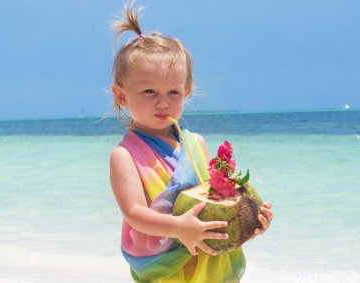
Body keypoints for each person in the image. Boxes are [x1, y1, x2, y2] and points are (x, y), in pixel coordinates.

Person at [109, 3, 273, 282]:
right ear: (121, 96)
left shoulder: (195, 142)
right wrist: (179, 227)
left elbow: (215, 198)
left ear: (187, 92)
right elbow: (135, 214)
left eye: (174, 92)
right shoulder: (124, 155)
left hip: (209, 260)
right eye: (149, 91)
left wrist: (247, 218)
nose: (163, 102)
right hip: (167, 268)